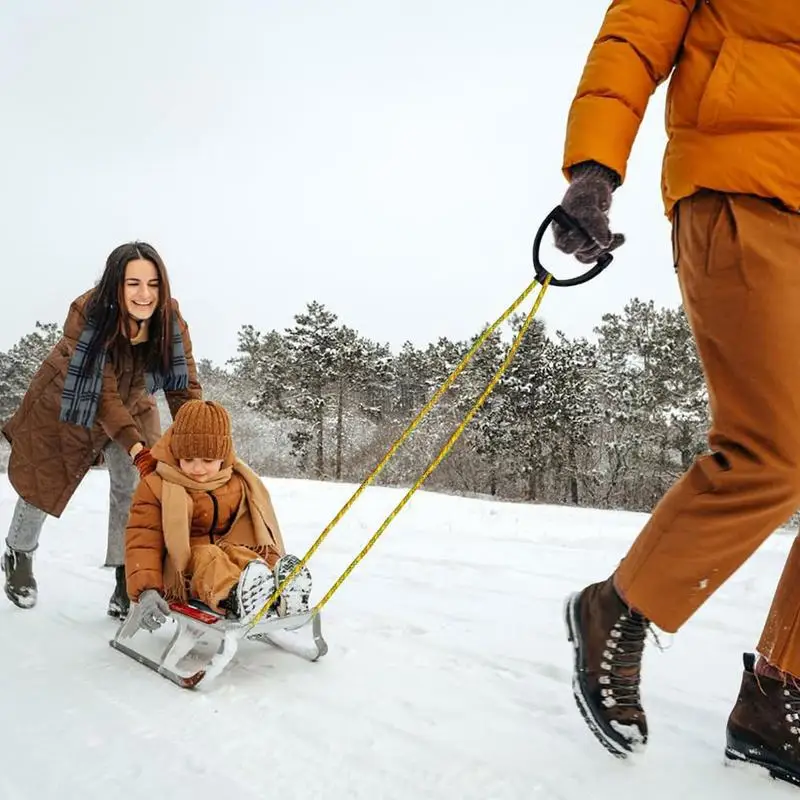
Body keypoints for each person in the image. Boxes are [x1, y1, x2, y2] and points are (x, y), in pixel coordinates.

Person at [551, 0, 800, 783]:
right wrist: (594, 168)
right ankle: (618, 606)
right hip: (742, 192)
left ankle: (778, 693)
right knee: (773, 449)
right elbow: (633, 35)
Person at [1, 241, 202, 617]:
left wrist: (202, 433)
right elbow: (102, 396)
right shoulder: (88, 316)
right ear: (115, 285)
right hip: (70, 398)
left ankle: (129, 578)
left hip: (133, 400)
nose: (145, 294)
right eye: (133, 284)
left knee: (138, 488)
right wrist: (135, 447)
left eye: (153, 283)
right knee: (44, 481)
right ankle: (18, 552)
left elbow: (183, 384)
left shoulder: (170, 320)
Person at [122, 399, 312, 633]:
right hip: (182, 570)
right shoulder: (156, 485)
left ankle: (278, 589)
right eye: (188, 459)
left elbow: (256, 534)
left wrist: (272, 560)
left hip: (226, 556)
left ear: (223, 456)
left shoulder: (237, 481)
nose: (198, 469)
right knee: (209, 555)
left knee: (241, 553)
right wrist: (147, 590)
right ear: (175, 451)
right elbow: (143, 541)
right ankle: (235, 595)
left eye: (208, 460)